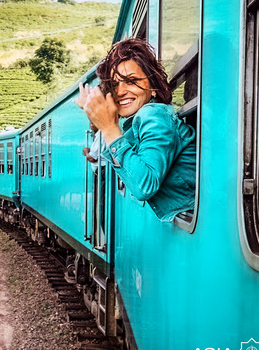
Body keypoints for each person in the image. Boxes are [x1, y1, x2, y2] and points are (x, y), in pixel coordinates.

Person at [76, 38, 196, 222]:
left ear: (153, 87)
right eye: (115, 85)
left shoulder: (153, 115)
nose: (121, 92)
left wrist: (108, 128)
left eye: (131, 81)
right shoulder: (140, 120)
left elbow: (144, 186)